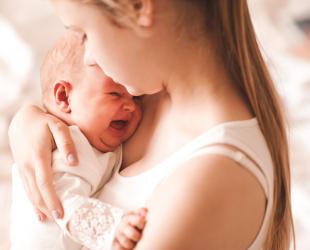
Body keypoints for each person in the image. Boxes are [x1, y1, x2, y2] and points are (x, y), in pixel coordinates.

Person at [9, 1, 295, 249]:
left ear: (140, 7)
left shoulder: (211, 178)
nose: (89, 58)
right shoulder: (142, 96)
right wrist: (30, 119)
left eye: (84, 34)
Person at [10, 31, 146, 250]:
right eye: (114, 94)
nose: (131, 106)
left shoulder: (93, 139)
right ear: (64, 96)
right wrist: (111, 228)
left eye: (136, 97)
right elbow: (59, 201)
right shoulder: (68, 145)